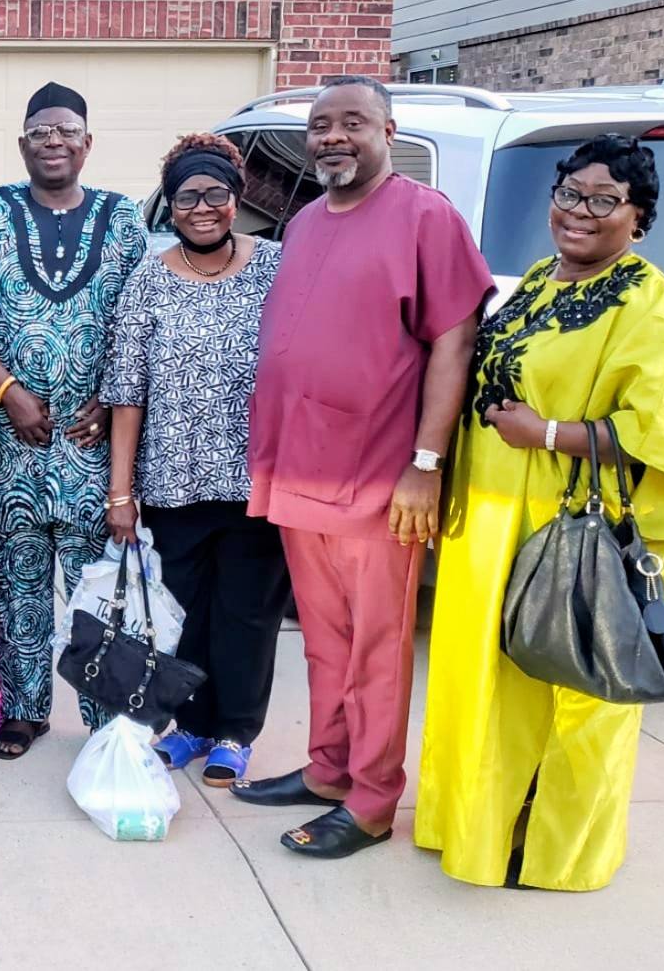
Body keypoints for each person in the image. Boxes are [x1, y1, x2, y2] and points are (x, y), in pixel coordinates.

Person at [416, 135, 664, 891]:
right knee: (487, 683)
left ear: (637, 217)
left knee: (581, 686)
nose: (579, 212)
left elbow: (663, 434)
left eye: (603, 200)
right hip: (490, 520)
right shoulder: (537, 281)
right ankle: (478, 830)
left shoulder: (644, 300)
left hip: (568, 527)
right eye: (568, 194)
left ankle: (559, 852)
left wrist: (548, 433)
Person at [235, 76, 493, 859]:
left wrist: (425, 463)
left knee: (375, 648)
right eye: (320, 125)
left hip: (378, 477)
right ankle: (328, 770)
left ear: (388, 131)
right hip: (296, 467)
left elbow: (453, 340)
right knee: (322, 640)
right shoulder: (306, 221)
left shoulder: (425, 217)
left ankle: (374, 799)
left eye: (352, 122)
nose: (332, 137)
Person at [0, 81, 150, 759]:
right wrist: (7, 390)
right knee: (18, 584)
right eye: (40, 132)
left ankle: (103, 716)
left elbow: (137, 325)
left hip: (93, 445)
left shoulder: (123, 219)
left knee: (97, 588)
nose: (53, 141)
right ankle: (24, 710)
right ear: (22, 143)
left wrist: (112, 401)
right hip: (9, 440)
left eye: (66, 131)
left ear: (87, 144)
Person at [103, 133, 291, 787]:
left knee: (248, 614)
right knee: (183, 613)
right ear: (170, 205)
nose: (202, 207)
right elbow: (126, 392)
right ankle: (190, 725)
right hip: (173, 481)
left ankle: (235, 732)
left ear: (236, 198)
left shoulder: (276, 266)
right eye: (187, 197)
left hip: (256, 480)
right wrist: (120, 492)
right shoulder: (148, 281)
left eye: (215, 193)